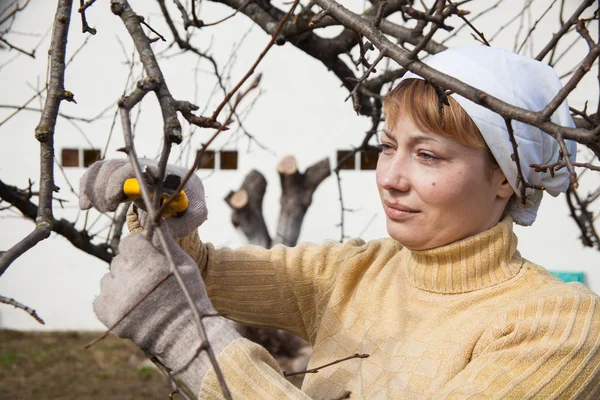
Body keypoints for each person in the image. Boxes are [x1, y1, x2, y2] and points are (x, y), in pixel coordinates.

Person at [80, 46, 600, 399]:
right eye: (389, 147)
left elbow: (181, 309)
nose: (392, 178)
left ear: (506, 179)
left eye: (429, 156)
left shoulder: (557, 326)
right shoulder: (354, 273)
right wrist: (168, 209)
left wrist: (192, 347)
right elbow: (201, 271)